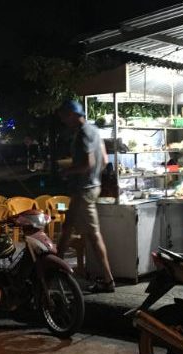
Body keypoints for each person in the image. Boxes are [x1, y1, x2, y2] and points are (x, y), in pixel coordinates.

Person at [57, 100, 115, 293]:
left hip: (84, 190)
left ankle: (108, 280)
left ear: (72, 115)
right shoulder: (95, 130)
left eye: (64, 117)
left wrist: (67, 171)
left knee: (93, 234)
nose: (64, 121)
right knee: (67, 229)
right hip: (91, 187)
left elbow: (88, 164)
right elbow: (105, 160)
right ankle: (55, 271)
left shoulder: (83, 134)